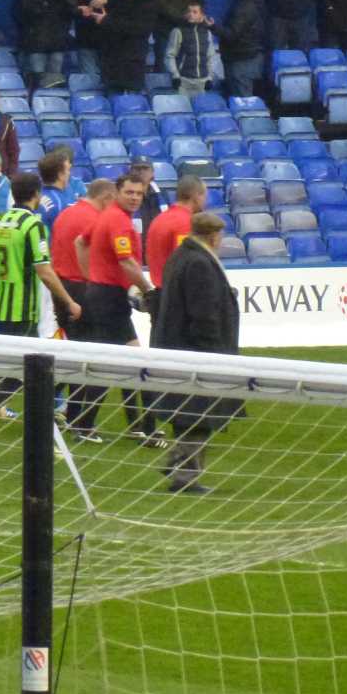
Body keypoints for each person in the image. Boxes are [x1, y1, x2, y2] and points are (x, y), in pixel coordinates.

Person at [0, 173, 82, 462]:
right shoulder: (33, 225)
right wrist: (68, 300)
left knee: (20, 377)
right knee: (32, 377)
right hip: (24, 313)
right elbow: (44, 271)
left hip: (2, 309)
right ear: (35, 195)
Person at [63, 173, 164, 448]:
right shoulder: (117, 221)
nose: (134, 197)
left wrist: (91, 276)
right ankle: (85, 424)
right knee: (111, 363)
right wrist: (149, 290)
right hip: (108, 299)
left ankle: (140, 426)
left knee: (129, 359)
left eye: (139, 194)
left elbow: (80, 244)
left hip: (106, 295)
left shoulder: (107, 216)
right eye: (129, 192)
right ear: (117, 193)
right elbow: (128, 263)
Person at [149, 212, 240, 494]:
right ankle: (184, 476)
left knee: (188, 416)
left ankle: (177, 462)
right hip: (197, 351)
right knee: (197, 416)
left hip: (179, 348)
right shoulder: (201, 263)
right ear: (214, 236)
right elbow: (204, 314)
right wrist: (213, 351)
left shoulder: (181, 256)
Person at [51, 179, 115, 352]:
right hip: (85, 290)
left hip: (62, 290)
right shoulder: (97, 220)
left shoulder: (64, 215)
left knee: (73, 348)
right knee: (93, 350)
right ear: (106, 197)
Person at [145, 174, 208, 317]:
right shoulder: (185, 222)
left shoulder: (159, 219)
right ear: (196, 196)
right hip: (176, 299)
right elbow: (185, 262)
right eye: (204, 195)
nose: (205, 201)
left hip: (160, 292)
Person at [12, 0, 74, 89]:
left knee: (54, 79)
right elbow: (25, 11)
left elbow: (70, 11)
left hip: (57, 41)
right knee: (36, 78)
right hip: (36, 41)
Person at [66, 0, 126, 77]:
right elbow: (70, 3)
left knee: (109, 74)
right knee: (89, 76)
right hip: (86, 32)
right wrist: (81, 9)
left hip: (110, 32)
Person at [99, 0, 159, 93]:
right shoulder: (125, 1)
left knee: (131, 97)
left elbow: (134, 28)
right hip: (114, 58)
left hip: (132, 60)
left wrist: (106, 20)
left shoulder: (149, 8)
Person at [215, 0, 266, 99]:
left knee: (242, 101)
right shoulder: (253, 0)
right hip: (248, 55)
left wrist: (212, 26)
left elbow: (232, 34)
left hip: (241, 58)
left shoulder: (245, 5)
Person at [164, 1, 223, 98]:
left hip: (203, 82)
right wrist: (175, 75)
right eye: (188, 11)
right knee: (184, 111)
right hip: (184, 81)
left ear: (202, 15)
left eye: (195, 12)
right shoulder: (178, 31)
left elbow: (211, 56)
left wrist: (210, 77)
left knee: (201, 109)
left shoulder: (207, 32)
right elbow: (170, 55)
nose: (191, 14)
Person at [36, 146, 86, 231]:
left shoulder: (36, 197)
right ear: (60, 175)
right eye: (67, 170)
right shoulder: (61, 204)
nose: (69, 174)